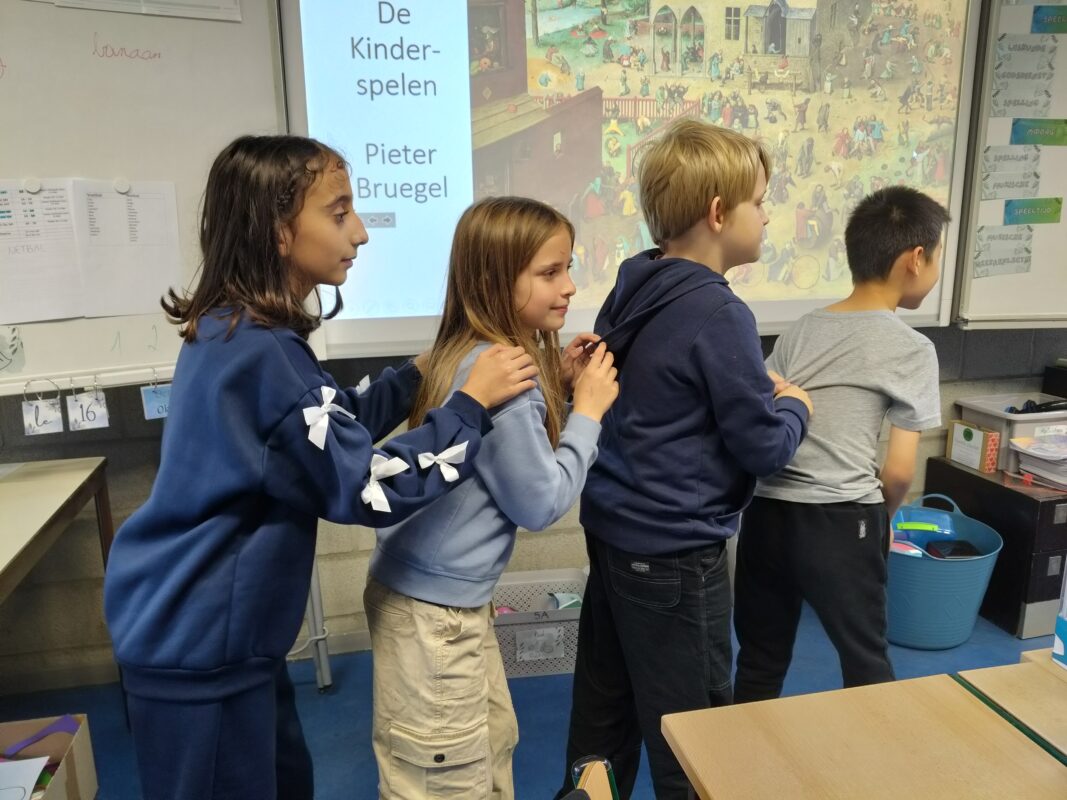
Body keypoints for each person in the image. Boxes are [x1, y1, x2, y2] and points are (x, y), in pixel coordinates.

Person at [102, 135, 538, 800]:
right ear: (278, 231)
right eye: (338, 214)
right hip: (201, 643)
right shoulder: (263, 354)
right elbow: (367, 487)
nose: (359, 232)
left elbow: (328, 428)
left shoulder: (233, 329)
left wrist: (416, 374)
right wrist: (469, 408)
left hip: (216, 637)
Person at [555, 119, 813, 800]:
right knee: (695, 741)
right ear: (719, 213)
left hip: (614, 536)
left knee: (604, 722)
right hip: (674, 554)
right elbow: (763, 446)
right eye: (759, 202)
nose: (767, 216)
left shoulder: (634, 283)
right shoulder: (718, 312)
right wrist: (794, 406)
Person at [365, 196, 619, 799]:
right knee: (448, 780)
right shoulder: (504, 380)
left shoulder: (471, 353)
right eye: (549, 272)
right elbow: (540, 502)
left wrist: (556, 386)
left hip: (431, 600)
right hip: (436, 618)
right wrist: (587, 413)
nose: (569, 286)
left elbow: (503, 455)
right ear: (492, 282)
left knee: (486, 746)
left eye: (567, 268)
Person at [733, 186, 949, 704]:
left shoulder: (802, 329)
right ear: (915, 259)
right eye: (938, 258)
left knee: (759, 662)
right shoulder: (913, 348)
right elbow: (899, 472)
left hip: (766, 514)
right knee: (865, 663)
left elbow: (769, 407)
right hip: (843, 518)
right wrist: (881, 520)